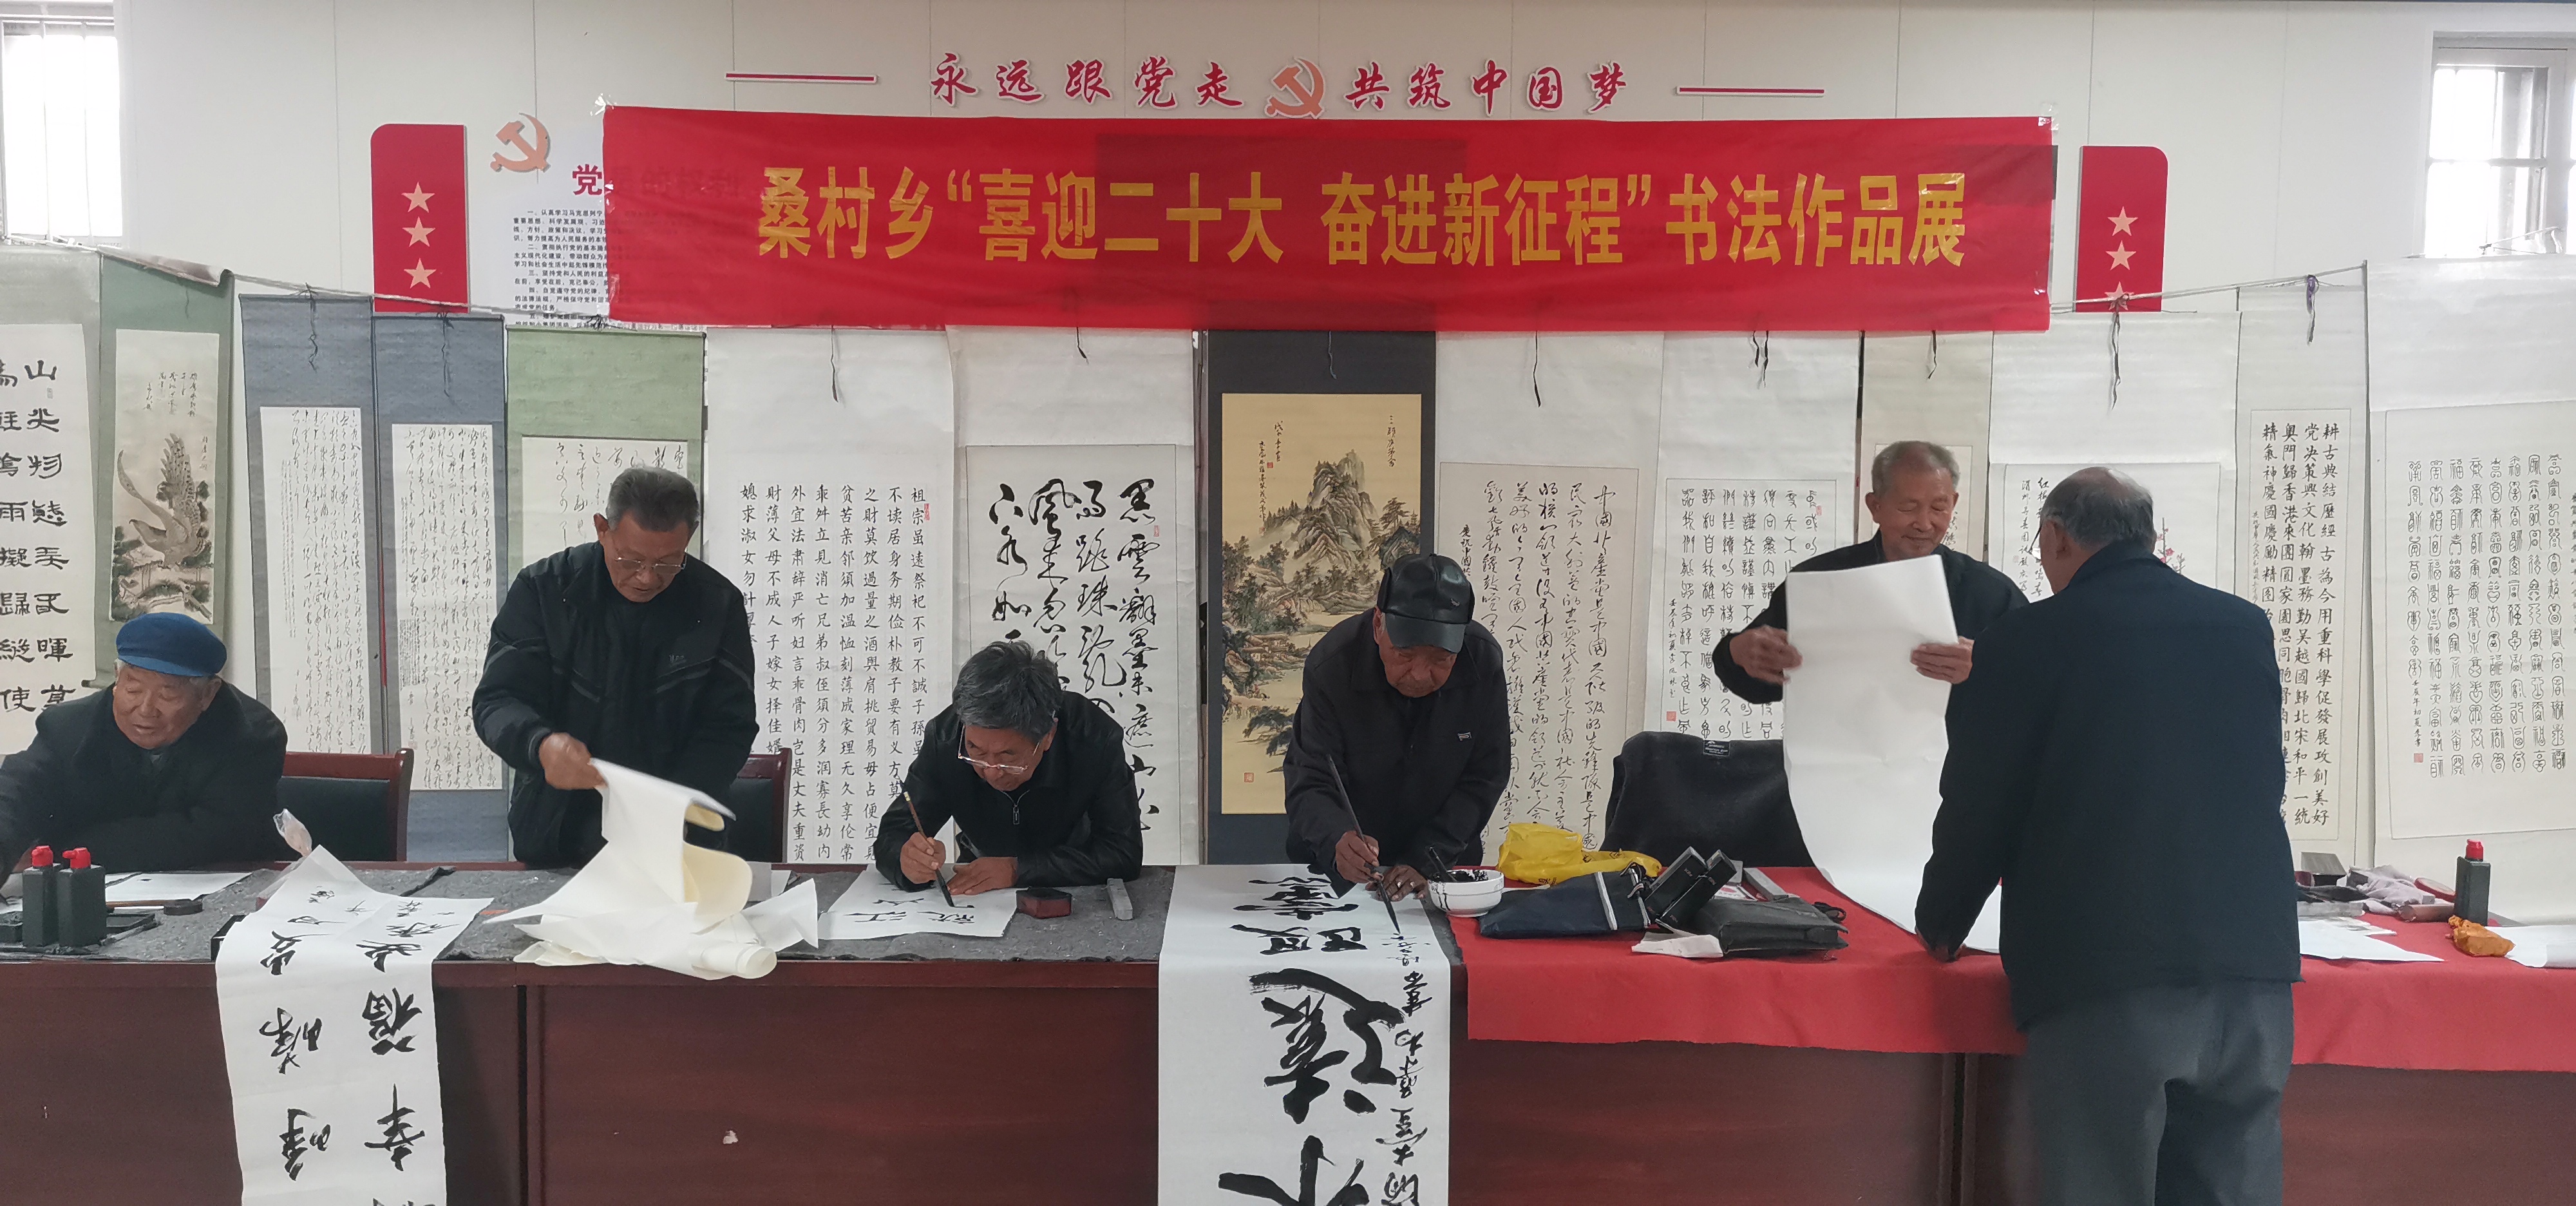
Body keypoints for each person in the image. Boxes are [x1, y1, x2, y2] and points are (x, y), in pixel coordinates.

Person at [1918, 468, 2298, 1206]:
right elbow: (2264, 781)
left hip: (2107, 974)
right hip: (2251, 975)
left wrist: (1942, 921)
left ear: (2056, 537)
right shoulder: (2241, 624)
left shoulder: (2024, 639)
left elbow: (1980, 804)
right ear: (2148, 537)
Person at [474, 466, 757, 868]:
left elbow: (730, 725)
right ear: (602, 529)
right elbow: (498, 700)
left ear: (689, 539)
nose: (646, 578)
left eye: (668, 563)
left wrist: (676, 802)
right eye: (631, 559)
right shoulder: (545, 590)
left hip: (678, 840)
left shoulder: (717, 604)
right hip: (557, 835)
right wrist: (540, 744)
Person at [1711, 440, 2024, 702]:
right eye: (1908, 507)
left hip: (1956, 758)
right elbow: (1758, 683)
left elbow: (2034, 687)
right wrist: (1737, 652)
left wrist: (1985, 669)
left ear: (1953, 503)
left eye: (1939, 508)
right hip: (1837, 752)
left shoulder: (1990, 593)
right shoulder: (1819, 581)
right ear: (1875, 506)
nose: (1924, 523)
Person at [1282, 553, 1511, 900]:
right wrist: (1335, 839)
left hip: (1442, 861)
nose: (1419, 674)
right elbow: (1311, 774)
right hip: (1340, 866)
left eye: (1441, 659)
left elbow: (1485, 775)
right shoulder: (1333, 666)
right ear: (1379, 625)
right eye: (1404, 655)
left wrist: (1427, 859)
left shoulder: (1482, 662)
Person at [0, 613, 292, 872]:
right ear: (117, 679)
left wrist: (62, 849)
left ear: (208, 694)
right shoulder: (67, 728)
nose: (145, 709)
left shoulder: (251, 736)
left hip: (220, 883)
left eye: (167, 695)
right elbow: (19, 789)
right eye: (134, 689)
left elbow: (219, 834)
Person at [873, 640, 1143, 894]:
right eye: (976, 751)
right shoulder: (945, 739)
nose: (991, 771)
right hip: (978, 888)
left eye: (1008, 756)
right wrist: (907, 859)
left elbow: (1122, 852)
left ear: (1048, 736)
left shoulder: (1092, 738)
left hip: (1071, 884)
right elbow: (894, 832)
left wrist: (1019, 869)